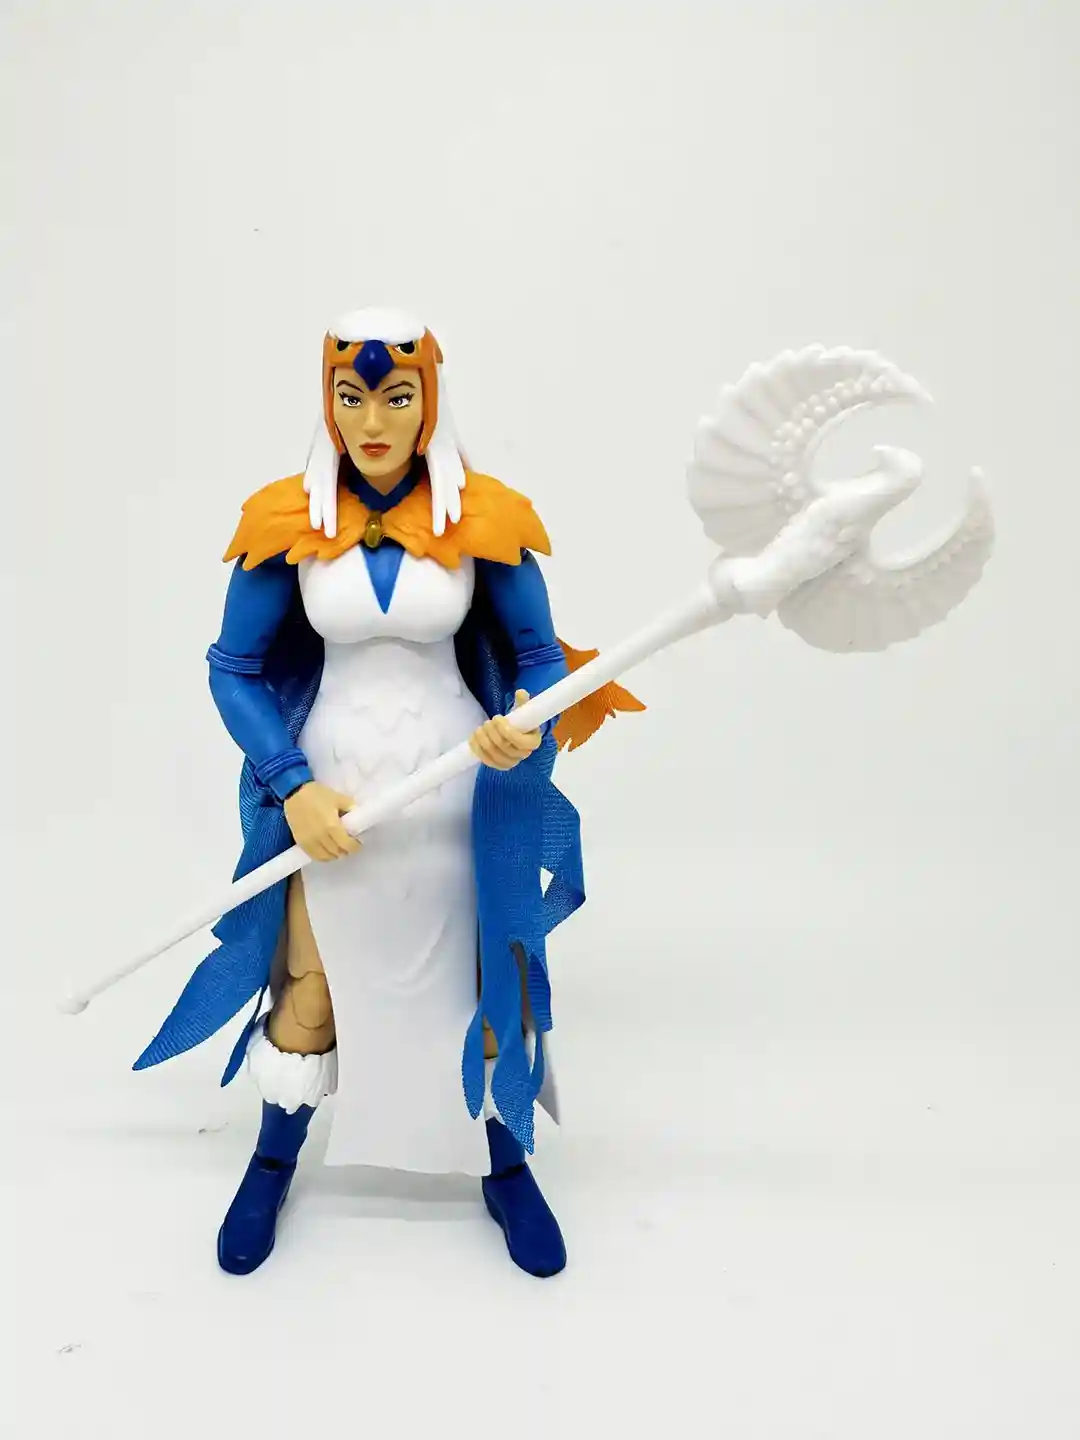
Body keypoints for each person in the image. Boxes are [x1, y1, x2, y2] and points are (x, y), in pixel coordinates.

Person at [134, 307, 643, 1279]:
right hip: (331, 792)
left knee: (482, 979)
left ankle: (505, 1163)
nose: (373, 421)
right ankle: (274, 1158)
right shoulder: (289, 520)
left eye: (397, 396)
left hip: (459, 789)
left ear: (428, 402)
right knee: (310, 984)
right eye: (352, 396)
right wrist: (291, 785)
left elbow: (538, 654)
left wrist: (526, 719)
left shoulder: (482, 517)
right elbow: (233, 666)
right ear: (328, 401)